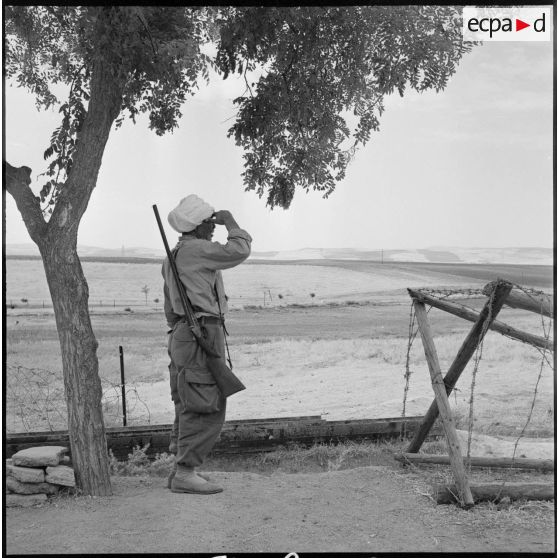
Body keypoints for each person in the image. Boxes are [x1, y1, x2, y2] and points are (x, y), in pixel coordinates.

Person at [162, 194, 252, 494]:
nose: (213, 227)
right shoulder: (198, 250)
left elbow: (169, 308)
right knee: (205, 402)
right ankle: (185, 472)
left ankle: (181, 468)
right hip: (200, 330)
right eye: (209, 223)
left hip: (182, 332)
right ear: (197, 226)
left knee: (187, 399)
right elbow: (239, 250)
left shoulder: (173, 256)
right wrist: (231, 222)